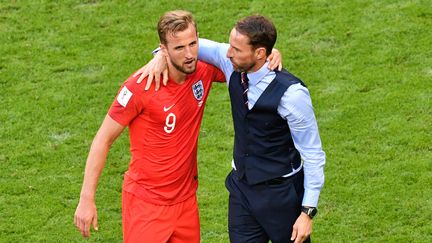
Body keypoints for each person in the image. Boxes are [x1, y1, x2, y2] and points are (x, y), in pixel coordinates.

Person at [137, 15, 326, 243]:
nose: (227, 53)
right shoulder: (232, 63)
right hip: (241, 192)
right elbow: (186, 47)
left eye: (236, 49)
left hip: (282, 195)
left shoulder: (293, 95)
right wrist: (160, 56)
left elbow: (313, 154)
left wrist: (307, 212)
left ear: (260, 53)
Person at [73, 10, 228, 242]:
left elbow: (242, 59)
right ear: (163, 49)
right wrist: (86, 199)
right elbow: (103, 139)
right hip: (147, 205)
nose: (189, 54)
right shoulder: (141, 86)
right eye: (179, 48)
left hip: (186, 202)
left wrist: (268, 53)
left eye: (193, 44)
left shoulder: (203, 71)